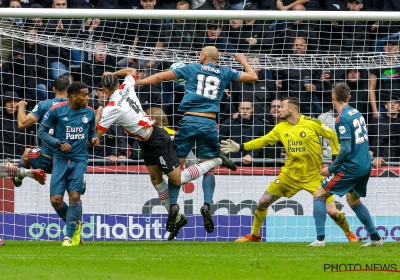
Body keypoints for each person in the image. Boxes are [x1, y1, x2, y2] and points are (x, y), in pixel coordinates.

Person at [96, 68, 237, 240]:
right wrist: (111, 72)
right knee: (156, 180)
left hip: (156, 138)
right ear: (118, 84)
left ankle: (216, 160)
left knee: (177, 179)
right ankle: (177, 218)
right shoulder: (126, 86)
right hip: (145, 142)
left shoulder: (110, 108)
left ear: (103, 90)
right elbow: (132, 70)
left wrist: (98, 113)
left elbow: (95, 137)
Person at [134, 46, 258, 234]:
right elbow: (253, 77)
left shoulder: (191, 68)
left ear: (203, 56)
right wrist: (242, 59)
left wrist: (140, 82)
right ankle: (207, 204)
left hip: (189, 120)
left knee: (177, 167)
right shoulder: (225, 72)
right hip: (209, 123)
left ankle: (174, 206)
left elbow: (160, 77)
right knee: (208, 166)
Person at [220, 97, 358, 243]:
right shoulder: (280, 128)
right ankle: (254, 235)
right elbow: (263, 140)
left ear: (291, 109)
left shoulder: (312, 123)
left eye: (282, 106)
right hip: (289, 175)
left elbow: (332, 135)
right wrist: (241, 147)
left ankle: (350, 234)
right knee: (263, 202)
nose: (278, 109)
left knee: (332, 212)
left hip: (313, 176)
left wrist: (335, 158)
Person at [310, 83, 383, 247]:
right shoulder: (356, 112)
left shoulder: (341, 118)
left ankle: (320, 239)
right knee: (353, 200)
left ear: (332, 97)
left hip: (353, 166)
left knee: (319, 195)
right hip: (365, 163)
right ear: (349, 97)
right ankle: (376, 237)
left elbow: (346, 149)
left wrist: (331, 168)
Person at [37, 81, 100, 246]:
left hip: (80, 159)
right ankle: (76, 225)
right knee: (56, 200)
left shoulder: (90, 113)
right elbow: (41, 132)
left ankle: (69, 236)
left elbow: (92, 132)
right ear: (73, 96)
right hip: (60, 160)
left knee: (74, 195)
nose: (88, 98)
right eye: (84, 95)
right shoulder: (56, 110)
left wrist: (94, 139)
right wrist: (58, 143)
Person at [14, 74, 70, 187]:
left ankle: (18, 178)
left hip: (46, 159)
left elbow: (22, 124)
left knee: (26, 152)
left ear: (53, 89)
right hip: (68, 161)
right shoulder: (76, 106)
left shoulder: (44, 105)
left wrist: (21, 106)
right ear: (69, 89)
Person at [368, 96, 400, 168]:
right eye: (390, 102)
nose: (392, 104)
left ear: (399, 107)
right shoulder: (376, 121)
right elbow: (368, 138)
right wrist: (369, 150)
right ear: (385, 106)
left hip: (396, 161)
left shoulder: (399, 122)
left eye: (396, 103)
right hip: (376, 161)